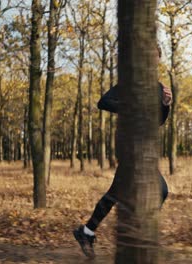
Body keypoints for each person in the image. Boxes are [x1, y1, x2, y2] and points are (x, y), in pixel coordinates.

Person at [73, 79, 172, 258]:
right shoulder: (129, 83)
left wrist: (165, 105)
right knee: (159, 190)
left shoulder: (158, 87)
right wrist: (130, 107)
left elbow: (157, 121)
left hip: (143, 150)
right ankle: (136, 234)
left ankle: (87, 232)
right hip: (128, 147)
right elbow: (103, 102)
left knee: (117, 193)